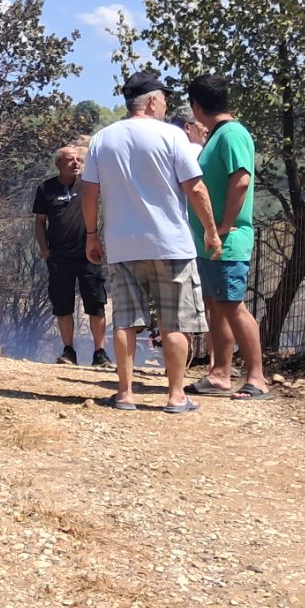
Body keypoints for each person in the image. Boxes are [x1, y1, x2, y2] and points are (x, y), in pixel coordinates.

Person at [82, 71, 222, 412]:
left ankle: (125, 393)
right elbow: (196, 188)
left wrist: (91, 235)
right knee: (176, 321)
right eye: (165, 100)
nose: (166, 106)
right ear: (153, 101)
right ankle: (176, 396)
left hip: (122, 244)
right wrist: (211, 231)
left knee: (126, 320)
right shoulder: (172, 137)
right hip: (170, 244)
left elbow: (89, 191)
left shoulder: (103, 139)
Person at [185, 74, 270, 400]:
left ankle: (257, 379)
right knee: (216, 306)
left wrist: (222, 227)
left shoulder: (232, 134)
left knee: (233, 306)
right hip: (211, 243)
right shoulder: (219, 135)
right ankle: (220, 374)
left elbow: (242, 180)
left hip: (227, 240)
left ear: (196, 106)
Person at [33, 146, 111, 367]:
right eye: (70, 160)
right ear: (59, 164)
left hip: (89, 255)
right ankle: (68, 351)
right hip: (58, 257)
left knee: (96, 303)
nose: (76, 163)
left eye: (79, 159)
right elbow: (39, 222)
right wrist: (45, 250)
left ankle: (100, 353)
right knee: (63, 305)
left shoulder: (89, 185)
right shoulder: (46, 188)